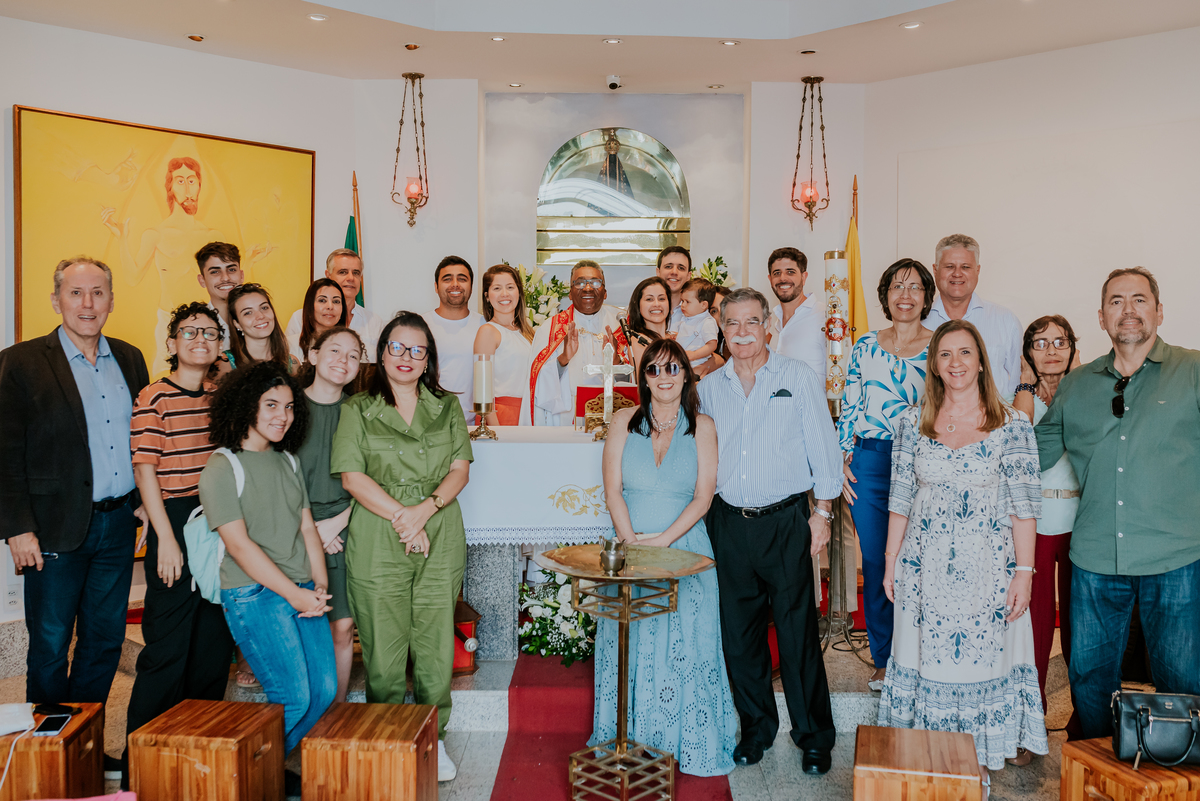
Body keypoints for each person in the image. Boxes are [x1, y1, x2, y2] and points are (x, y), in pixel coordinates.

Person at [0, 257, 149, 784]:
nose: (88, 304)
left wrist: (144, 500)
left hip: (117, 525)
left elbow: (143, 438)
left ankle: (83, 743)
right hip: (51, 529)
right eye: (76, 293)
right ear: (56, 299)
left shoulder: (129, 358)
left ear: (111, 300)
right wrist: (17, 528)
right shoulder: (20, 363)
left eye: (98, 292)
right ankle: (49, 753)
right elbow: (5, 452)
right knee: (49, 645)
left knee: (104, 643)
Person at [1034, 267, 1200, 739]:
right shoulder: (1078, 384)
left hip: (1175, 558)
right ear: (1101, 318)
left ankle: (1177, 772)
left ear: (1159, 311)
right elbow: (1028, 456)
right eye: (1116, 301)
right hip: (1095, 559)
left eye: (1139, 299)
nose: (1128, 310)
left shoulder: (1192, 370)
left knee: (1183, 681)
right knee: (1088, 679)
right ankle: (1096, 768)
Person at [878, 320, 1048, 771]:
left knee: (982, 666)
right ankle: (932, 765)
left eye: (965, 352)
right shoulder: (911, 422)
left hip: (988, 570)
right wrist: (890, 561)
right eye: (946, 354)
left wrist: (1024, 574)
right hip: (924, 567)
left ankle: (976, 768)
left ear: (981, 362)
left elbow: (1024, 507)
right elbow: (900, 498)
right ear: (934, 364)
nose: (956, 363)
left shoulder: (1012, 424)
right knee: (924, 660)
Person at [697, 287, 842, 774]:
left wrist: (822, 513)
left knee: (798, 633)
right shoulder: (710, 387)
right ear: (722, 328)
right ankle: (756, 729)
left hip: (785, 521)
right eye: (732, 323)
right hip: (728, 523)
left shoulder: (796, 377)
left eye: (752, 322)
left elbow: (823, 446)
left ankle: (814, 735)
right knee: (740, 636)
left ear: (768, 326)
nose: (742, 333)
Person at [332, 312, 473, 782]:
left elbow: (459, 470)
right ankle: (387, 737)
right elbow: (352, 477)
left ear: (428, 358)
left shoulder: (446, 406)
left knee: (434, 643)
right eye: (397, 347)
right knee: (383, 646)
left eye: (417, 349)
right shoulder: (358, 408)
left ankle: (434, 737)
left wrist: (424, 511)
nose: (406, 357)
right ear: (382, 353)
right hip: (379, 534)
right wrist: (404, 517)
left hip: (438, 529)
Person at [590, 338, 738, 776]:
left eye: (673, 368)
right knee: (631, 644)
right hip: (628, 550)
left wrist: (662, 544)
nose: (664, 377)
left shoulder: (703, 426)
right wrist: (631, 543)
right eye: (653, 369)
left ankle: (681, 741)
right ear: (644, 379)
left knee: (686, 649)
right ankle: (629, 738)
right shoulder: (623, 421)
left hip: (686, 551)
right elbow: (613, 490)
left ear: (686, 375)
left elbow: (703, 497)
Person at [199, 362, 335, 794]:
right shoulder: (222, 467)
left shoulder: (288, 461)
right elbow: (239, 546)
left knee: (325, 690)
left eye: (290, 407)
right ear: (246, 406)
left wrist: (319, 585)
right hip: (255, 594)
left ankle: (259, 773)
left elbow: (307, 528)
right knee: (293, 696)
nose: (283, 416)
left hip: (302, 591)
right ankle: (246, 778)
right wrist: (294, 594)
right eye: (271, 405)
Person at [121, 302, 234, 785]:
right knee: (167, 649)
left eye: (210, 332)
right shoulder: (154, 396)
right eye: (190, 332)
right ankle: (140, 769)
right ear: (172, 343)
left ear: (220, 345)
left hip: (218, 518)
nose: (201, 339)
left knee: (212, 646)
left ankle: (196, 758)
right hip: (175, 520)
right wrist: (165, 539)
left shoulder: (219, 396)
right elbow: (145, 469)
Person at [837, 258, 935, 691]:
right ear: (885, 295)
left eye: (914, 287)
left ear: (926, 297)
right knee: (879, 561)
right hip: (871, 462)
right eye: (897, 286)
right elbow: (851, 404)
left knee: (922, 561)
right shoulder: (864, 345)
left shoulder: (941, 344)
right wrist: (842, 460)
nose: (905, 295)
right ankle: (885, 658)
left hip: (923, 463)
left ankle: (923, 656)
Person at [1011, 315, 1081, 726]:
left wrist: (1078, 383)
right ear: (1027, 353)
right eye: (1040, 343)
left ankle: (1085, 716)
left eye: (1060, 341)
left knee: (1079, 624)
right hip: (1035, 523)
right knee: (1034, 624)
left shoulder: (1087, 393)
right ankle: (1031, 716)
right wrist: (1025, 384)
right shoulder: (1020, 399)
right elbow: (1020, 449)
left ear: (1073, 348)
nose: (1051, 350)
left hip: (1080, 521)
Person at [296, 327, 364, 704]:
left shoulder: (362, 412)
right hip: (295, 527)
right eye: (335, 350)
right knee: (305, 625)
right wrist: (311, 530)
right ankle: (305, 710)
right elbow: (275, 476)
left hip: (346, 525)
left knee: (342, 625)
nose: (343, 360)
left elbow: (376, 478)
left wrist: (337, 523)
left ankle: (334, 715)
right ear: (313, 355)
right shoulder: (288, 407)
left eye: (353, 355)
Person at [524, 261, 629, 426]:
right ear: (570, 294)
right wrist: (563, 359)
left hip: (614, 417)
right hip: (567, 419)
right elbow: (537, 383)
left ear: (605, 292)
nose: (587, 288)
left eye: (595, 282)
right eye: (580, 283)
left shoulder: (621, 326)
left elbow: (636, 381)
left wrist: (617, 362)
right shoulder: (551, 329)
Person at [923, 234, 1022, 396]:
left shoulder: (1005, 320)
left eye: (965, 267)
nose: (957, 273)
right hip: (933, 412)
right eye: (949, 266)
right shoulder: (920, 321)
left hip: (997, 412)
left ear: (977, 270)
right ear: (935, 270)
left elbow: (1020, 384)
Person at [285, 249, 384, 362]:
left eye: (356, 273)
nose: (351, 278)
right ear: (328, 275)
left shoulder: (375, 322)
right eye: (343, 272)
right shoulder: (298, 318)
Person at [423, 256, 485, 423]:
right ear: (436, 287)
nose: (455, 284)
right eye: (447, 279)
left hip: (476, 424)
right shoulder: (421, 326)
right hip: (431, 423)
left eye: (462, 279)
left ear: (471, 287)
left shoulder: (485, 326)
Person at [473, 264, 534, 426]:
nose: (504, 294)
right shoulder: (488, 331)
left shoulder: (528, 333)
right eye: (497, 288)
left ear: (519, 292)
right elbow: (482, 387)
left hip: (528, 412)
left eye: (510, 287)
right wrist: (496, 430)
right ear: (487, 296)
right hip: (500, 415)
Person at [765, 247, 826, 378]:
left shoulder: (825, 316)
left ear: (804, 277)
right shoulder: (776, 322)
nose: (782, 278)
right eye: (777, 273)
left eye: (790, 272)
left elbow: (842, 373)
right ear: (770, 279)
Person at [224, 283, 297, 374]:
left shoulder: (292, 364)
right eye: (248, 313)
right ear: (237, 324)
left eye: (264, 308)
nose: (260, 316)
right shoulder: (225, 363)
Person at [195, 241, 244, 352]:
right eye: (215, 272)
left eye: (231, 270)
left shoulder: (260, 318)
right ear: (202, 280)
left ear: (241, 275)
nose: (225, 278)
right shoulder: (196, 327)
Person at [288, 278, 348, 363]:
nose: (330, 306)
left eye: (336, 301)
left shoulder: (352, 346)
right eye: (322, 300)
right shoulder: (289, 345)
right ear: (310, 306)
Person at [624, 276, 671, 373]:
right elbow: (644, 380)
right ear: (638, 305)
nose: (657, 304)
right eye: (649, 299)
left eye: (661, 298)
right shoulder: (638, 341)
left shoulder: (677, 337)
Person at [672, 278, 720, 368]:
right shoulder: (687, 318)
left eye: (687, 302)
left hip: (696, 363)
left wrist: (695, 355)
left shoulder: (707, 322)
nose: (683, 305)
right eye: (682, 301)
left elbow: (712, 345)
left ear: (703, 305)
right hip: (682, 363)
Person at [656, 245, 691, 333]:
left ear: (688, 276)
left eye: (681, 268)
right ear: (658, 272)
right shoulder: (644, 309)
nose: (674, 272)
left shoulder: (699, 312)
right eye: (668, 266)